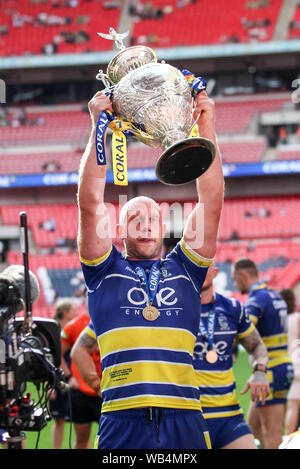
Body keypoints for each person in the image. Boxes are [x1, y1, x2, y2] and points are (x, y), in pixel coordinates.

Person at [76, 87, 224, 449]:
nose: (144, 224)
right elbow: (90, 201)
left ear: (164, 228)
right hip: (121, 419)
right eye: (134, 218)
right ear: (118, 230)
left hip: (184, 417)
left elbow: (212, 200)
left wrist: (206, 128)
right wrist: (99, 128)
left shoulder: (187, 269)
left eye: (153, 218)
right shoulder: (102, 270)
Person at [194, 263, 269, 449]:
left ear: (216, 272)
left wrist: (260, 370)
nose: (200, 268)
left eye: (205, 264)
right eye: (195, 264)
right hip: (190, 416)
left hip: (229, 415)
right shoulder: (175, 309)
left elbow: (257, 345)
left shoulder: (233, 308)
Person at [233, 258, 294, 449]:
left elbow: (244, 330)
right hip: (280, 365)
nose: (235, 284)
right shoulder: (274, 295)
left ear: (243, 276)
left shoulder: (256, 299)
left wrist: (226, 344)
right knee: (253, 428)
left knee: (272, 433)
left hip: (270, 370)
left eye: (236, 279)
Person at [60, 304, 102, 449]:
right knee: (81, 438)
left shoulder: (115, 319)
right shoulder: (75, 324)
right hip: (81, 391)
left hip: (107, 391)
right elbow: (57, 351)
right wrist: (69, 376)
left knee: (111, 438)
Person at [49, 298, 78, 449]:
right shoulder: (54, 331)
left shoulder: (74, 329)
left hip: (74, 380)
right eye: (74, 310)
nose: (77, 313)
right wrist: (50, 385)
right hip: (60, 381)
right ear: (66, 313)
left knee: (78, 421)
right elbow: (49, 360)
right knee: (59, 420)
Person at [280, 288, 300, 434]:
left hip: (280, 366)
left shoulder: (277, 322)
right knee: (293, 406)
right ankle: (289, 438)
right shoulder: (297, 318)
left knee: (286, 406)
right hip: (297, 365)